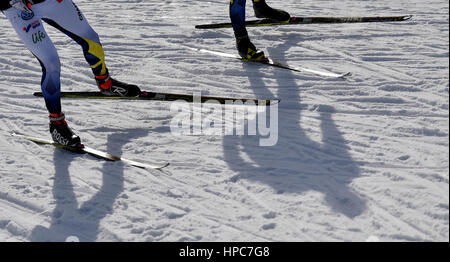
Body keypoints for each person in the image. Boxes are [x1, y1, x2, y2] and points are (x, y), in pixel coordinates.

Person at [0, 0, 141, 148]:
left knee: (91, 39)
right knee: (51, 63)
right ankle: (57, 124)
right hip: (18, 9)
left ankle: (106, 84)